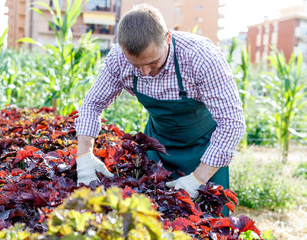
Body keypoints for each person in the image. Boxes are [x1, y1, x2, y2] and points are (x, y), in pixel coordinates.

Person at [75, 3, 245, 214]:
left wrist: (197, 179)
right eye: (137, 65)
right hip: (158, 143)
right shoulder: (119, 58)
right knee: (153, 214)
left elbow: (232, 124)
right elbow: (93, 103)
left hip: (205, 148)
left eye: (153, 62)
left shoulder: (201, 58)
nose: (145, 73)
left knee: (207, 220)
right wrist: (84, 157)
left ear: (167, 39)